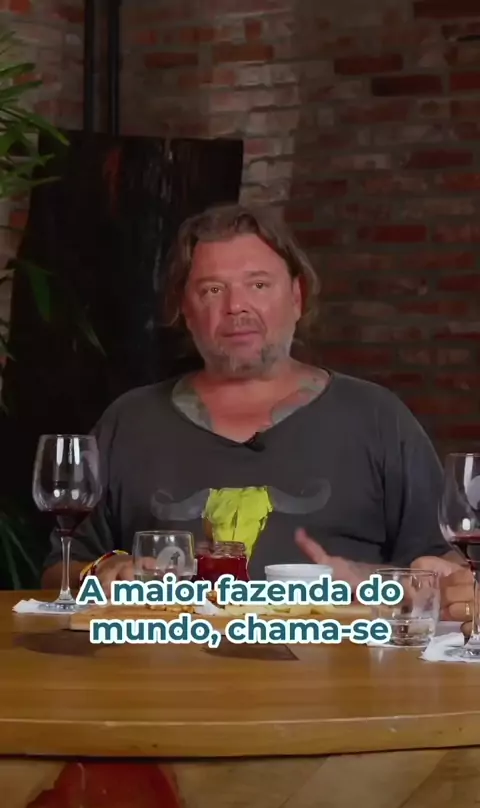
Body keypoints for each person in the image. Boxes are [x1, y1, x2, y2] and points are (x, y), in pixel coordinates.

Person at [42, 203, 473, 629]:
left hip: (341, 666)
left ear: (297, 298)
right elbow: (58, 572)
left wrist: (395, 581)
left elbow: (445, 569)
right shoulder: (130, 421)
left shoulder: (378, 417)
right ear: (184, 310)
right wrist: (100, 573)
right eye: (212, 290)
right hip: (166, 665)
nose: (236, 307)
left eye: (259, 285)